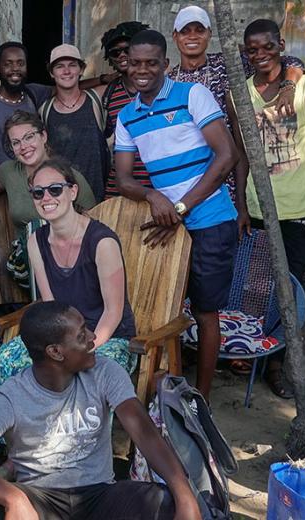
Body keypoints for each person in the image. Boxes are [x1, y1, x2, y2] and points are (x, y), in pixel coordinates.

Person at [0, 301, 202, 520]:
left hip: (99, 495)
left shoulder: (105, 372)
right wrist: (13, 496)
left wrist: (184, 493)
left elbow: (144, 432)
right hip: (40, 499)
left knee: (163, 501)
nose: (92, 338)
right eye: (81, 335)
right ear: (55, 352)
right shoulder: (12, 396)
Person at [114, 30, 239, 401]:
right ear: (126, 64)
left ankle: (201, 397)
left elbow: (227, 156)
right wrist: (151, 194)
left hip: (210, 219)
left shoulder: (193, 95)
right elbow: (122, 178)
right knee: (162, 305)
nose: (142, 70)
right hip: (168, 225)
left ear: (165, 65)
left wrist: (181, 207)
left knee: (204, 311)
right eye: (135, 63)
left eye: (151, 63)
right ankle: (168, 389)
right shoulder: (127, 114)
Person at [232, 19, 305, 398]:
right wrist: (242, 204)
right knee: (257, 287)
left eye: (267, 47)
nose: (260, 55)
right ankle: (255, 354)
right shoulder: (239, 94)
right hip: (258, 207)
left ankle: (278, 363)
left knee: (290, 289)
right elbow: (240, 154)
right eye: (252, 50)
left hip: (301, 205)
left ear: (281, 44)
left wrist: (295, 170)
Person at [0, 159, 137, 388]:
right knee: (7, 359)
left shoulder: (101, 242)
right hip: (61, 337)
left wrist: (82, 349)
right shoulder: (36, 242)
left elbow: (113, 313)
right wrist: (56, 348)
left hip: (105, 338)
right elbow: (51, 307)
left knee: (89, 377)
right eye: (38, 193)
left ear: (73, 191)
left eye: (55, 189)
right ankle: (16, 422)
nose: (46, 198)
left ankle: (75, 425)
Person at [169, 5, 305, 216]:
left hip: (228, 176)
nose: (192, 36)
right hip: (186, 177)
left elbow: (288, 60)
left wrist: (288, 86)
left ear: (209, 34)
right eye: (185, 31)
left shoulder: (227, 64)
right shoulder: (169, 81)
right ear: (175, 36)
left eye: (199, 30)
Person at [0, 111, 96, 288]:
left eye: (29, 137)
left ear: (43, 136)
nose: (23, 146)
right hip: (27, 264)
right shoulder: (11, 171)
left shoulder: (68, 177)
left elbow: (93, 220)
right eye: (16, 143)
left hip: (70, 261)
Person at [0, 42, 52, 195]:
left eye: (20, 63)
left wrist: (103, 79)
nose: (15, 69)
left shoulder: (34, 94)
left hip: (32, 186)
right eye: (8, 64)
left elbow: (67, 87)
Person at [41, 44, 110, 202]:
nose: (66, 71)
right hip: (62, 198)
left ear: (81, 69)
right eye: (59, 67)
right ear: (52, 73)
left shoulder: (96, 98)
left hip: (99, 196)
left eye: (72, 65)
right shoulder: (44, 110)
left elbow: (130, 81)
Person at [95, 21, 152, 198]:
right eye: (115, 52)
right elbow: (70, 88)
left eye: (127, 49)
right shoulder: (109, 93)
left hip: (157, 186)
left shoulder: (158, 88)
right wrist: (102, 78)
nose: (122, 55)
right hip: (118, 189)